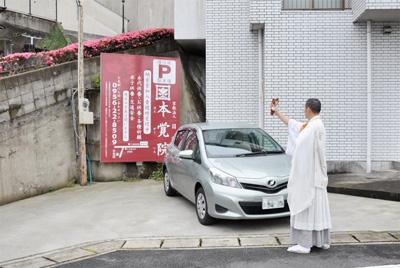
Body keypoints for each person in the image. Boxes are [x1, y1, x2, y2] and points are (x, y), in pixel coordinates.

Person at [271, 98, 332, 254]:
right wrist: (277, 112)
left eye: (304, 108)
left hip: (309, 176)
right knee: (318, 208)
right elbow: (293, 124)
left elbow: (300, 144)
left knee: (305, 206)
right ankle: (321, 241)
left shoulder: (311, 128)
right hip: (317, 175)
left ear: (308, 109)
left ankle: (305, 244)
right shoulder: (317, 125)